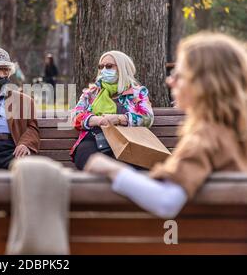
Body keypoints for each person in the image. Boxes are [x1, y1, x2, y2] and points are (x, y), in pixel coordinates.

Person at [85, 33, 247, 219]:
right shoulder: (234, 132)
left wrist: (112, 169)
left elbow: (166, 202)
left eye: (179, 75)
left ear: (205, 83)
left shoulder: (205, 137)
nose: (170, 81)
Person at [71, 50, 154, 170]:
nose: (104, 70)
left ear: (122, 68)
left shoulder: (137, 92)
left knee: (134, 163)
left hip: (127, 141)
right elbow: (75, 116)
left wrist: (119, 119)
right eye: (101, 66)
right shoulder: (91, 93)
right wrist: (97, 120)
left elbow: (147, 117)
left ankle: (116, 177)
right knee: (87, 159)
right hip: (94, 138)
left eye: (109, 66)